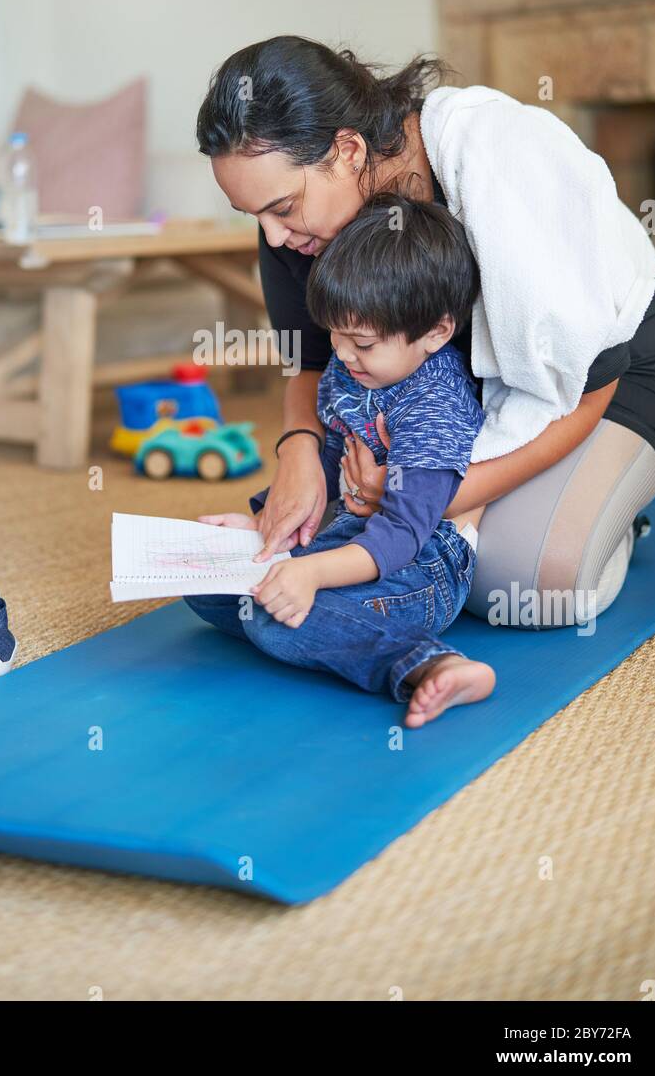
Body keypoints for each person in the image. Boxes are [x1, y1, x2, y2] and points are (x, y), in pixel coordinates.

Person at [195, 36, 655, 625]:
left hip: (614, 375)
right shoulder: (298, 224)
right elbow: (314, 357)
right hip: (443, 402)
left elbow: (589, 377)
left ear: (347, 149)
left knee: (528, 586)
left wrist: (439, 495)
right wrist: (297, 452)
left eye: (281, 208)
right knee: (306, 547)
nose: (273, 238)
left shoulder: (496, 161)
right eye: (256, 217)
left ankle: (624, 505)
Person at [186, 194, 494, 726]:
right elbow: (327, 465)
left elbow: (402, 533)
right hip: (347, 539)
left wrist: (311, 573)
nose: (344, 355)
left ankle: (429, 664)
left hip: (420, 566)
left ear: (437, 333)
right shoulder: (352, 370)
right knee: (203, 583)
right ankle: (319, 613)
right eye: (335, 336)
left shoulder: (434, 404)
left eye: (362, 343)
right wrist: (262, 529)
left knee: (275, 623)